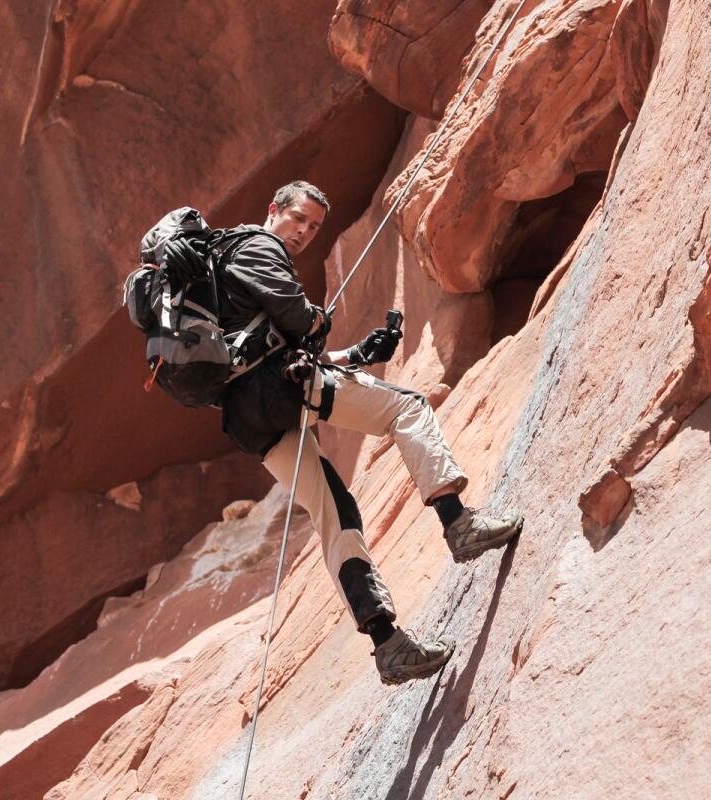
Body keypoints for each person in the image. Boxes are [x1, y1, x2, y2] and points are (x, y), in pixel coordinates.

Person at [199, 180, 523, 685]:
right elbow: (297, 321)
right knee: (407, 409)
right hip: (283, 391)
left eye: (313, 226)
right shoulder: (257, 246)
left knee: (335, 511)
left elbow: (269, 344)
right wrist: (314, 322)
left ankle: (388, 644)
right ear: (273, 210)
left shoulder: (216, 277)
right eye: (298, 219)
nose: (303, 232)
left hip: (249, 418)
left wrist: (356, 355)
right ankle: (459, 524)